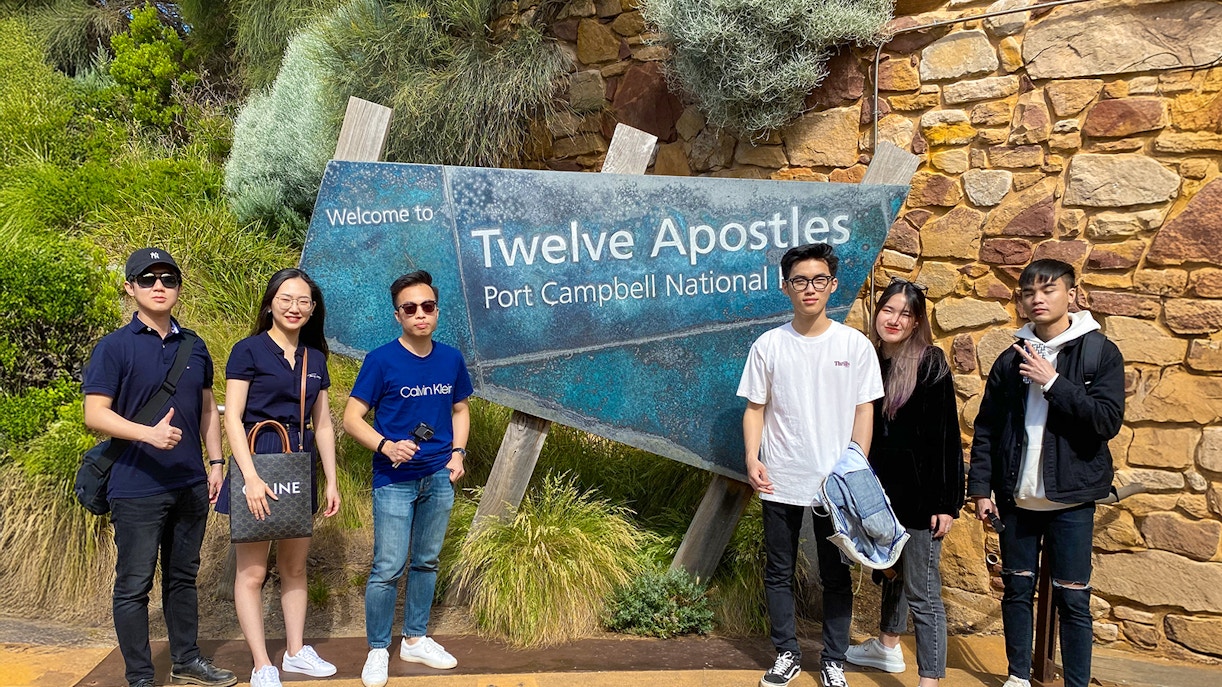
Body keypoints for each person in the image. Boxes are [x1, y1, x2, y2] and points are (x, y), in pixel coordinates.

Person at [83, 248, 237, 687]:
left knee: (182, 578)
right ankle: (140, 677)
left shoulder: (195, 345)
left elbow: (208, 408)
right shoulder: (114, 347)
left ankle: (187, 660)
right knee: (134, 585)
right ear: (130, 288)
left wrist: (216, 461)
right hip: (136, 485)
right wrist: (146, 433)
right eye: (147, 279)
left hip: (190, 482)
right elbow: (95, 413)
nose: (158, 287)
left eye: (168, 279)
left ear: (177, 288)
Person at [968, 259, 1124, 687]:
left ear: (1072, 295)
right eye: (1028, 292)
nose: (1037, 298)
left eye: (1048, 290)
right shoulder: (1010, 358)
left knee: (1074, 601)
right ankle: (1018, 677)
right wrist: (982, 489)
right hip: (1017, 500)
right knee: (1016, 592)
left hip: (1071, 501)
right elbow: (988, 428)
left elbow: (1107, 421)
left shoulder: (1098, 353)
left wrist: (1053, 382)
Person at [738, 243, 884, 687]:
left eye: (819, 280)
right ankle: (786, 653)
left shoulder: (853, 344)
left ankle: (833, 659)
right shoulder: (769, 345)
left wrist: (854, 466)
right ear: (785, 287)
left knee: (835, 572)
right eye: (800, 280)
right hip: (780, 476)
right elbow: (754, 409)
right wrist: (751, 457)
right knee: (779, 570)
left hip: (835, 484)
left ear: (833, 285)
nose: (810, 289)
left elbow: (864, 410)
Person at [344, 270, 472, 687]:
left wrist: (458, 454)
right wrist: (386, 446)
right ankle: (378, 648)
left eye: (428, 306)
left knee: (427, 561)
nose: (420, 314)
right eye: (410, 308)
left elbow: (459, 410)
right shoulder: (381, 360)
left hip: (438, 475)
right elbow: (351, 419)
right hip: (394, 479)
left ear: (437, 311)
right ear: (398, 315)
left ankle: (415, 640)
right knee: (387, 567)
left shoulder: (451, 358)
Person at [215, 268, 341, 687]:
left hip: (297, 462)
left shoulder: (315, 358)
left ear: (312, 309)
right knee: (252, 572)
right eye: (286, 299)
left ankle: (294, 652)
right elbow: (232, 417)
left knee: (295, 566)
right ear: (270, 303)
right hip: (259, 460)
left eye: (304, 300)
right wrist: (248, 476)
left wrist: (331, 480)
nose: (295, 307)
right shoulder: (247, 351)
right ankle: (261, 664)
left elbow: (322, 425)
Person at [844, 277, 964, 687]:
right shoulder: (868, 359)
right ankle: (887, 646)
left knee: (923, 593)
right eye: (888, 310)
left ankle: (929, 680)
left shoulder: (929, 363)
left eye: (905, 314)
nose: (893, 319)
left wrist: (946, 502)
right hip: (878, 495)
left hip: (919, 499)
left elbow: (946, 438)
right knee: (891, 573)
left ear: (916, 323)